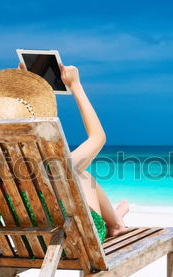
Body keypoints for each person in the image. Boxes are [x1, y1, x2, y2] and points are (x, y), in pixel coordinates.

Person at [19, 62, 130, 240]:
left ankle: (116, 220)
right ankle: (116, 223)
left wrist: (27, 86)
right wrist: (75, 86)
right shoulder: (53, 167)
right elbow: (98, 137)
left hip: (27, 241)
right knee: (80, 174)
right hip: (72, 241)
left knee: (79, 174)